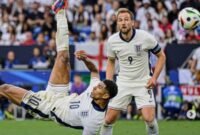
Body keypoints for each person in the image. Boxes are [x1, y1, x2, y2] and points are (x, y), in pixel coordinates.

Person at [0, 0, 118, 135]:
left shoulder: (94, 120)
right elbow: (94, 71)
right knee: (63, 57)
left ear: (105, 95)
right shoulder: (95, 90)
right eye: (98, 85)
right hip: (61, 95)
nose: (96, 86)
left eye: (99, 88)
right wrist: (86, 60)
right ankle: (59, 11)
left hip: (47, 107)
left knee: (5, 88)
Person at [100, 8, 166, 135]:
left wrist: (154, 78)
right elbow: (111, 61)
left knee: (149, 119)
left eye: (126, 20)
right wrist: (109, 82)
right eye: (120, 20)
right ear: (117, 23)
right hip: (123, 83)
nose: (123, 23)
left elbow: (161, 56)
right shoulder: (112, 41)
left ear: (132, 22)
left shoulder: (145, 37)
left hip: (143, 82)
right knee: (108, 120)